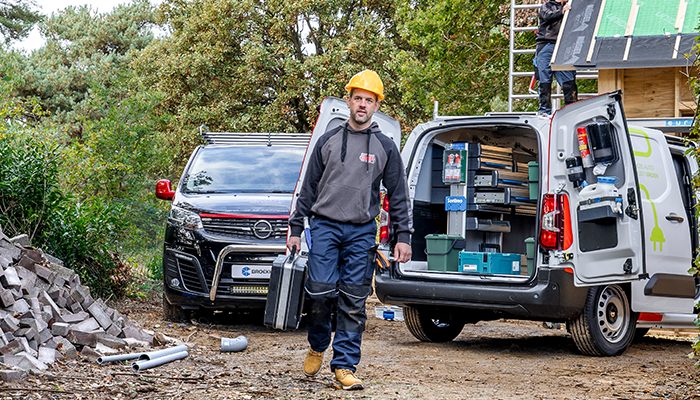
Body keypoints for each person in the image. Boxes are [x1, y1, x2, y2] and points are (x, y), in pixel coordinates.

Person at [287, 70, 413, 391]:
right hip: (325, 227)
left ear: (376, 105)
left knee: (354, 301)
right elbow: (308, 188)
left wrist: (403, 237)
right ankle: (318, 344)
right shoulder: (327, 141)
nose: (362, 104)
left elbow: (398, 195)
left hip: (361, 232)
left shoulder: (385, 147)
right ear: (349, 101)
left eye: (369, 100)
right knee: (319, 293)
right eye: (358, 98)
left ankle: (344, 366)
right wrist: (296, 228)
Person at [535, 0, 578, 115]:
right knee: (545, 80)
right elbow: (548, 16)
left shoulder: (570, 6)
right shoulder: (546, 6)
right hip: (546, 45)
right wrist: (562, 12)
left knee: (569, 80)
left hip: (563, 47)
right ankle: (544, 112)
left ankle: (571, 111)